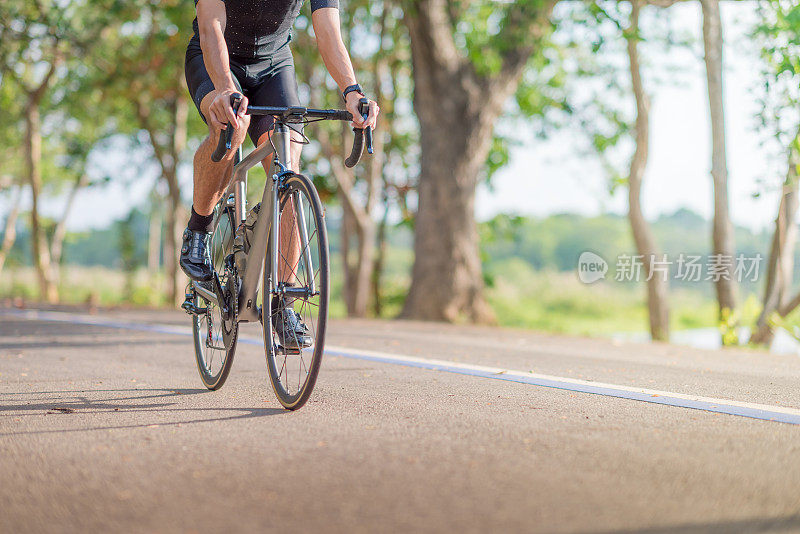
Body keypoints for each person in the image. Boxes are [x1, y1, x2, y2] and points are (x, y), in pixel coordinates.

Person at [180, 0, 379, 347]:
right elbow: (211, 23)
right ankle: (199, 227)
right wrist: (226, 88)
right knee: (230, 129)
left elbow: (328, 29)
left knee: (288, 158)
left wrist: (351, 90)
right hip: (216, 56)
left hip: (273, 66)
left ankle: (283, 301)